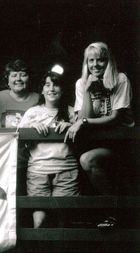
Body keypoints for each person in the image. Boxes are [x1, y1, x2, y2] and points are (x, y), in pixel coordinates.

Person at [65, 42, 134, 229]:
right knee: (86, 161)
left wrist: (84, 122)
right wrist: (87, 90)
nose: (95, 65)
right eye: (91, 60)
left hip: (122, 142)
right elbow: (84, 116)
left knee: (88, 160)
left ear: (108, 61)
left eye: (101, 60)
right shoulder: (81, 82)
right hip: (97, 141)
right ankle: (112, 213)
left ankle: (114, 212)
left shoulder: (120, 79)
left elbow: (114, 118)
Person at [19, 65, 79, 228]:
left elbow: (84, 138)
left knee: (63, 221)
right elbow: (18, 139)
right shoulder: (32, 113)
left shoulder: (72, 112)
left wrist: (71, 126)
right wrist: (31, 129)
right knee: (39, 221)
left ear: (63, 89)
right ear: (42, 90)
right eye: (47, 84)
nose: (51, 88)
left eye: (56, 84)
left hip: (66, 170)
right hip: (38, 170)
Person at [0, 59, 39, 128]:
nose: (18, 79)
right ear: (8, 81)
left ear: (29, 79)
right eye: (14, 75)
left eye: (23, 75)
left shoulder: (39, 99)